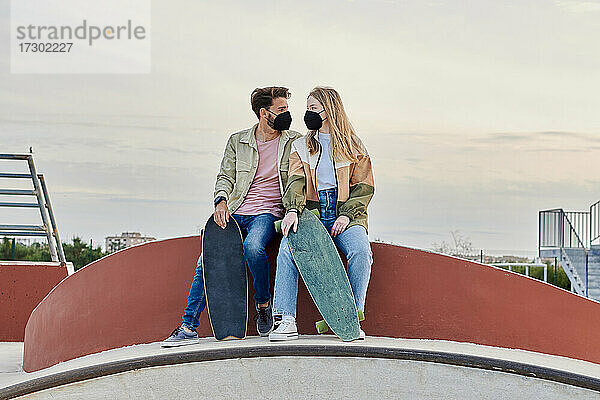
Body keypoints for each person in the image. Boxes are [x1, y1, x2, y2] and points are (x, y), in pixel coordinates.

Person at [162, 86, 302, 346]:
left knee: (253, 247)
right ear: (264, 113)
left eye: (287, 109)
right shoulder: (238, 141)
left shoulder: (295, 141)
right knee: (207, 260)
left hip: (268, 214)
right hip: (237, 210)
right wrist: (221, 201)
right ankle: (188, 326)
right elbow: (225, 176)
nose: (287, 114)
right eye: (281, 110)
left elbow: (302, 177)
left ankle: (263, 304)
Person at [269, 86, 375, 341]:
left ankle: (351, 315)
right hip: (311, 212)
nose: (308, 114)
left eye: (313, 109)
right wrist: (293, 211)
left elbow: (364, 187)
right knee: (287, 251)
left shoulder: (354, 146)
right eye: (307, 109)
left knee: (361, 251)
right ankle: (285, 320)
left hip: (345, 214)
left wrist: (347, 215)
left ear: (329, 111)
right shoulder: (300, 146)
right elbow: (295, 181)